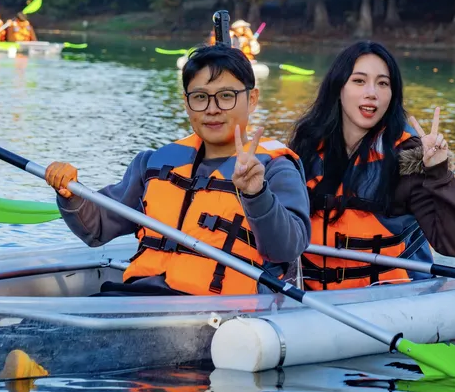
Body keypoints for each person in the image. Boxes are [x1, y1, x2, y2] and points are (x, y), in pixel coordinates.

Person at [44, 44, 310, 296]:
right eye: (200, 97)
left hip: (219, 314)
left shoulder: (276, 169)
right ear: (186, 103)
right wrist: (71, 194)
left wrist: (257, 193)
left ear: (252, 99)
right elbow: (96, 228)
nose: (212, 109)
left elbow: (286, 249)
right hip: (140, 298)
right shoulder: (153, 163)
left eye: (227, 96)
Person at [289, 41, 455, 291]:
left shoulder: (408, 156)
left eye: (383, 83)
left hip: (387, 300)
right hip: (310, 298)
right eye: (359, 81)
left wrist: (438, 172)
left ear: (392, 95)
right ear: (338, 88)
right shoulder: (306, 147)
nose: (371, 93)